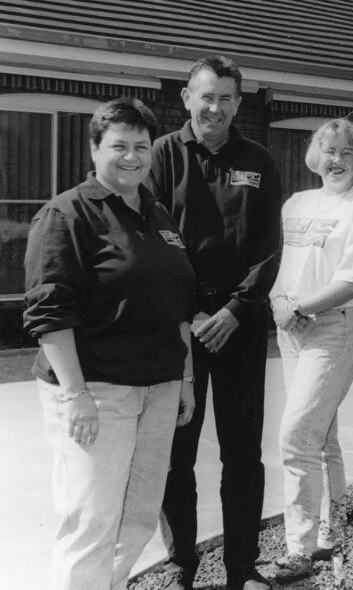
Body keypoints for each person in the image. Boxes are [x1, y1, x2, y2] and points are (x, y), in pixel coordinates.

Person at [24, 98, 197, 590]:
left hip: (159, 387)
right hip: (97, 390)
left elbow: (179, 303)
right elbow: (49, 312)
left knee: (139, 516)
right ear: (95, 149)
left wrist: (183, 378)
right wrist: (75, 394)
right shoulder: (67, 214)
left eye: (141, 146)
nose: (131, 156)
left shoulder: (158, 214)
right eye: (118, 145)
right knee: (92, 521)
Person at [150, 57, 283, 590]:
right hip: (178, 327)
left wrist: (234, 310)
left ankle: (241, 569)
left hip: (240, 325)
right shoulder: (161, 156)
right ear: (187, 98)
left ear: (238, 103)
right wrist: (190, 311)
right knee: (175, 452)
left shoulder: (260, 160)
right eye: (206, 96)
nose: (215, 108)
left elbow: (271, 248)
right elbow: (152, 240)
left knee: (242, 452)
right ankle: (181, 563)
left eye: (226, 98)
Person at [266, 120, 353, 583]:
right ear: (315, 157)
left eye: (348, 152)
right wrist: (281, 303)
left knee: (296, 436)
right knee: (320, 436)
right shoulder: (296, 204)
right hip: (291, 328)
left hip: (336, 329)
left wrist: (297, 305)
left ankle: (297, 549)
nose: (337, 160)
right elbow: (283, 263)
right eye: (329, 151)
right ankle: (329, 537)